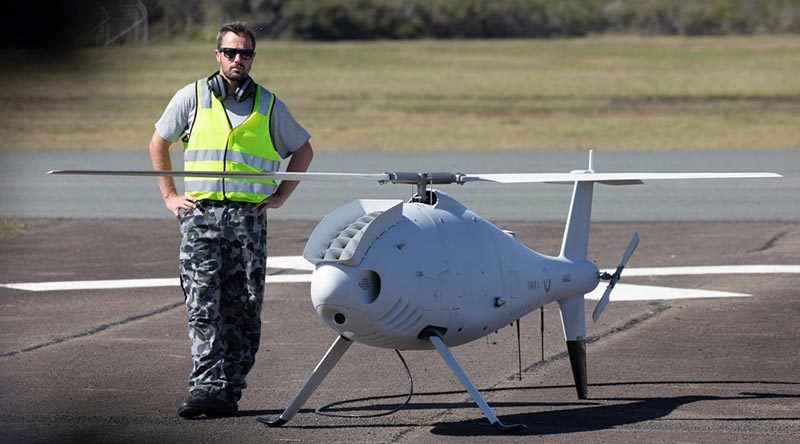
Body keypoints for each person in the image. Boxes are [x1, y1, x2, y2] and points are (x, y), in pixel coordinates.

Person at [148, 21, 313, 419]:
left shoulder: (269, 104)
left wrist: (279, 196)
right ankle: (205, 387)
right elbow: (159, 142)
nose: (238, 59)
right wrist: (170, 196)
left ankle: (229, 390)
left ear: (253, 58)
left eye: (246, 53)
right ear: (217, 55)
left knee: (244, 307)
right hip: (201, 218)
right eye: (231, 52)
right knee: (203, 304)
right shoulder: (192, 97)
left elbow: (303, 151)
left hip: (247, 220)